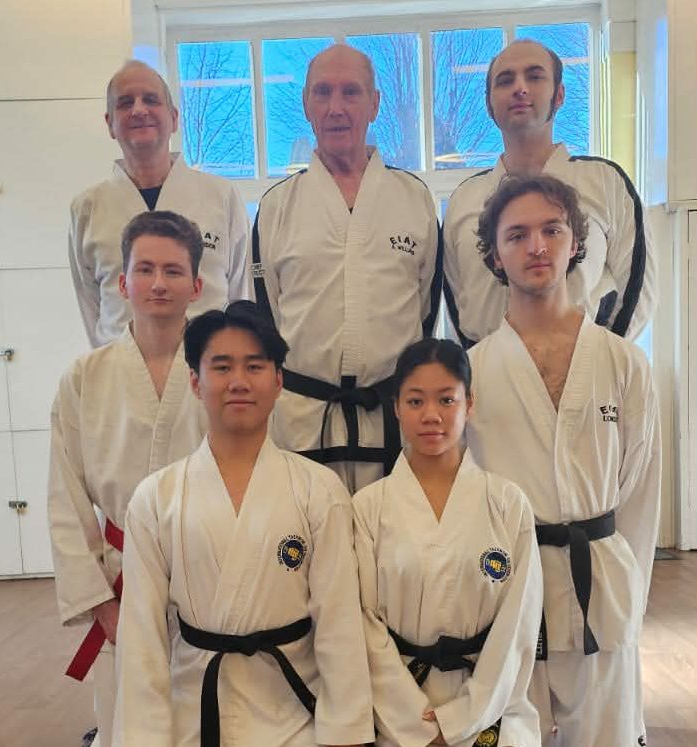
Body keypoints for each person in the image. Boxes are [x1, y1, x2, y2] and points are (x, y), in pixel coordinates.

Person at [112, 301, 374, 747]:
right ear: (195, 381)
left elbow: (339, 624)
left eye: (254, 366)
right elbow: (142, 638)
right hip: (194, 712)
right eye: (222, 367)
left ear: (278, 381)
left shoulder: (319, 490)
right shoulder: (155, 499)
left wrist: (345, 734)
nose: (238, 381)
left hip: (296, 712)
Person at [466, 175, 661, 746]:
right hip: (509, 585)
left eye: (552, 230)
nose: (537, 246)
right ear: (495, 255)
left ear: (575, 242)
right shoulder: (471, 371)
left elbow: (640, 493)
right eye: (517, 235)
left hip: (601, 583)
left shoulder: (623, 362)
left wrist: (632, 594)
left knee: (607, 737)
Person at [48, 211, 209, 747]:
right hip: (122, 579)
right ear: (123, 282)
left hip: (209, 572)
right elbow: (66, 500)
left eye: (173, 270)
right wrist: (101, 603)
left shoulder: (221, 370)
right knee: (128, 724)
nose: (158, 283)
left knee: (209, 719)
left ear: (196, 286)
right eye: (145, 269)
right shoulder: (85, 377)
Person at [253, 43, 442, 493]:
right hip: (303, 418)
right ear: (306, 104)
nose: (335, 108)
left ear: (374, 103)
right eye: (322, 92)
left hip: (390, 414)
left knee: (393, 533)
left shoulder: (413, 198)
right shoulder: (277, 206)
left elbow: (426, 310)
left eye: (351, 92)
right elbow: (269, 318)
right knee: (307, 534)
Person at [353, 338, 543, 747]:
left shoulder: (507, 503)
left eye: (446, 400)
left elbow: (519, 625)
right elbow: (363, 625)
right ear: (396, 407)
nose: (431, 415)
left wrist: (462, 719)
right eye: (415, 401)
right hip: (398, 712)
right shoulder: (367, 508)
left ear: (469, 404)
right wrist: (418, 727)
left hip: (490, 705)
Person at [443, 39, 656, 347]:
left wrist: (598, 362)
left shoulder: (605, 182)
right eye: (505, 80)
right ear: (489, 104)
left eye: (534, 76)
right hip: (488, 370)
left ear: (559, 95)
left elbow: (638, 292)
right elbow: (458, 305)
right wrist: (481, 365)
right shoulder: (464, 200)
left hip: (588, 366)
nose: (520, 88)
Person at [70, 59, 250, 348]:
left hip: (206, 365)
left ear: (174, 118)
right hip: (123, 366)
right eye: (125, 103)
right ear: (110, 124)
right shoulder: (88, 208)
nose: (139, 110)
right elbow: (90, 306)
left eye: (151, 100)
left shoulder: (221, 195)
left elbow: (241, 296)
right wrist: (108, 364)